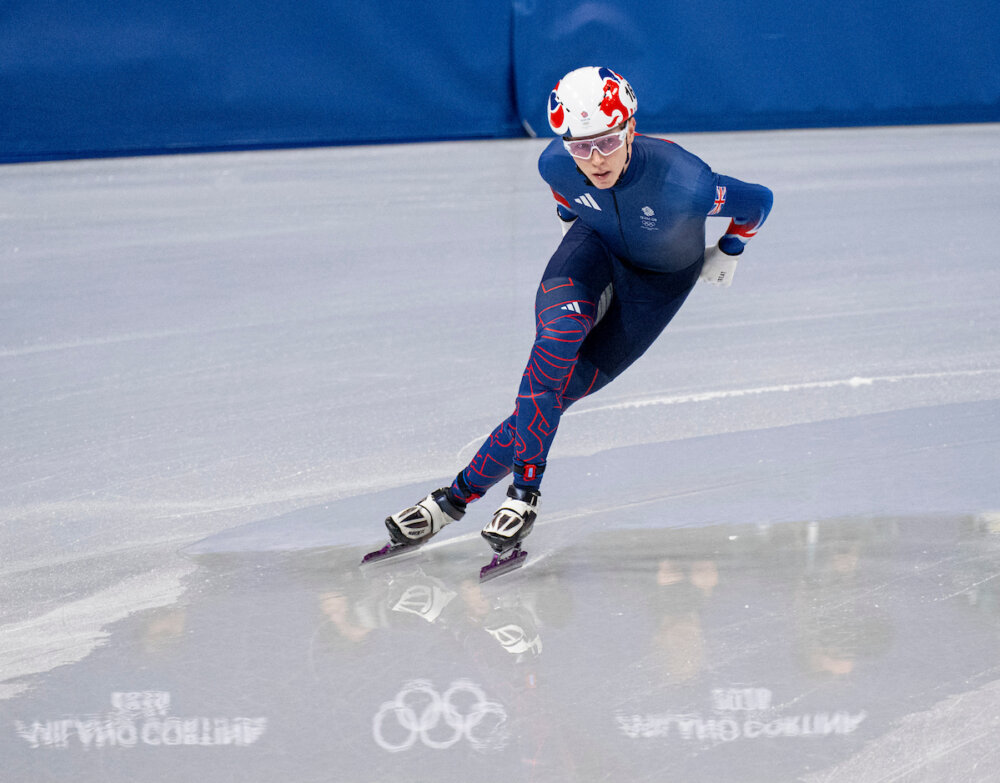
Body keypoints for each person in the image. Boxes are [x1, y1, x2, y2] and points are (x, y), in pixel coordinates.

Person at [382, 66, 773, 559]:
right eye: (580, 145)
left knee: (557, 394)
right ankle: (518, 498)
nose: (595, 158)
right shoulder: (555, 164)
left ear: (630, 128)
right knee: (554, 347)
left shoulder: (686, 181)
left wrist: (731, 248)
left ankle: (452, 499)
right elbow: (567, 200)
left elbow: (758, 200)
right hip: (595, 250)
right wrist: (578, 218)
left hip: (658, 284)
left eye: (607, 142)